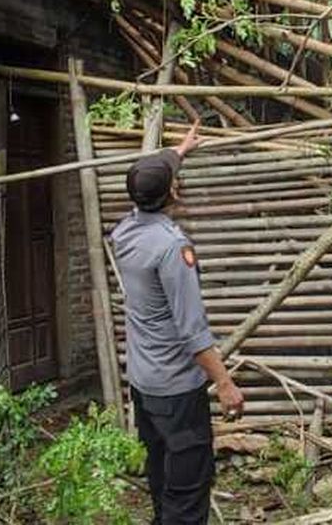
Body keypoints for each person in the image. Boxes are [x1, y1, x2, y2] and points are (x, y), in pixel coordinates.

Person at [111, 122, 245, 525]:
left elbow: (149, 180)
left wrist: (180, 151)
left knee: (162, 473)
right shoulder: (172, 249)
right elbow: (192, 330)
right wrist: (225, 384)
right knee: (188, 486)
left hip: (143, 382)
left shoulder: (125, 231)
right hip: (176, 389)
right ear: (173, 191)